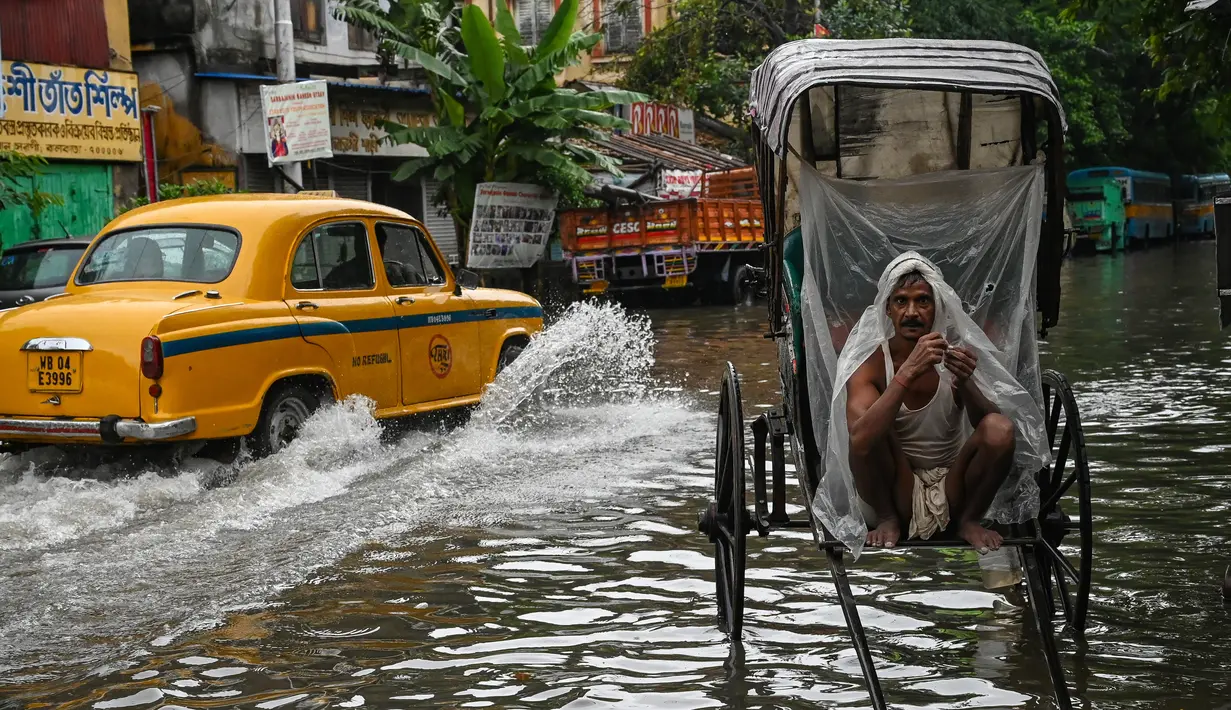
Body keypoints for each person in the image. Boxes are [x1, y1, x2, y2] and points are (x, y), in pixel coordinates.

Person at [844, 256, 1017, 554]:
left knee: (1001, 428)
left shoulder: (955, 355)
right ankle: (887, 519)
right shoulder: (871, 363)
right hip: (894, 491)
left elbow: (991, 429)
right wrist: (907, 373)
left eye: (923, 301)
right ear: (887, 309)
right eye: (900, 301)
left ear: (937, 306)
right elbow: (860, 441)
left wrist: (966, 383)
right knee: (871, 426)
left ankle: (970, 521)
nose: (911, 312)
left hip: (953, 485)